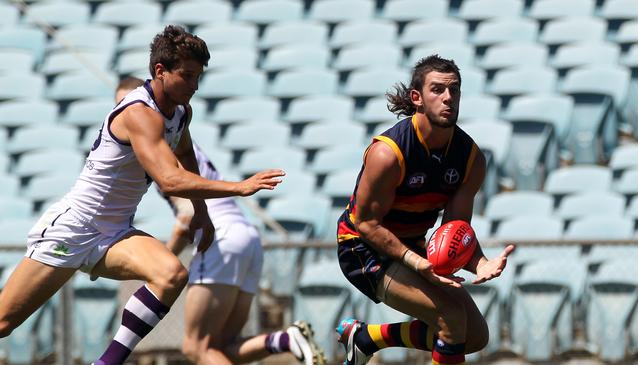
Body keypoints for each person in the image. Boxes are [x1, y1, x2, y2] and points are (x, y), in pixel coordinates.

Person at [0, 25, 285, 365]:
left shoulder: (180, 112)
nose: (194, 87)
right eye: (188, 76)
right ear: (160, 71)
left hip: (116, 230)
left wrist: (202, 214)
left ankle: (106, 362)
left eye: (198, 78)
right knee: (4, 323)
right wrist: (240, 187)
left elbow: (185, 155)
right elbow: (170, 181)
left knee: (171, 274)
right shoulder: (139, 113)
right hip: (73, 227)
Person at [115, 78, 326, 365]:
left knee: (195, 347)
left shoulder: (156, 146)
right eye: (118, 107)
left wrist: (161, 262)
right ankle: (283, 340)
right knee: (220, 347)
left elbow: (187, 216)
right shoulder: (177, 136)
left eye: (129, 104)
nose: (125, 112)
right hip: (247, 237)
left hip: (220, 236)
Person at [335, 54, 516, 365]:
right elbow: (366, 223)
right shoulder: (387, 154)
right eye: (438, 90)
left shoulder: (470, 159)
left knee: (474, 336)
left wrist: (480, 263)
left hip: (412, 248)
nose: (448, 98)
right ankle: (366, 338)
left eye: (454, 90)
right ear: (416, 98)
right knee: (451, 318)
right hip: (362, 249)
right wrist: (415, 262)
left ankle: (367, 338)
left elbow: (455, 231)